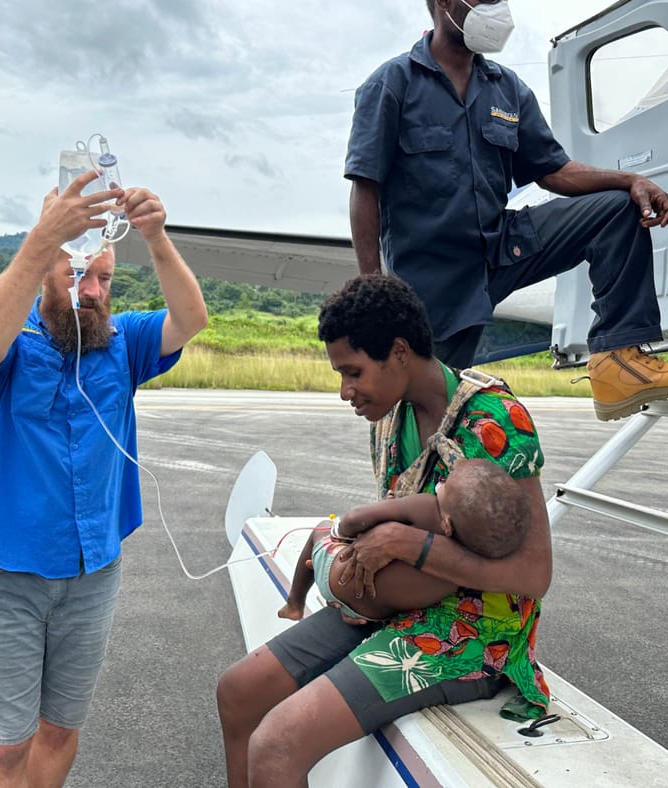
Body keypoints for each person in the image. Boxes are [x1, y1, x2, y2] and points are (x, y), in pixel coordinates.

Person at [344, 0, 668, 422]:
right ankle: (414, 489)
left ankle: (618, 363)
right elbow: (366, 189)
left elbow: (556, 172)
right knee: (429, 413)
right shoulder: (392, 84)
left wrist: (630, 178)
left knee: (614, 208)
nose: (500, 8)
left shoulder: (507, 90)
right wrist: (373, 288)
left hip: (503, 249)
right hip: (432, 278)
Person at [217, 273, 551, 787]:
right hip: (396, 606)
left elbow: (533, 574)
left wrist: (411, 546)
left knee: (278, 743)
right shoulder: (390, 419)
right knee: (238, 693)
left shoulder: (495, 420)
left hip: (471, 633)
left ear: (398, 352)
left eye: (353, 372)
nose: (344, 391)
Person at [0, 169, 208, 788]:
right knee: (7, 747)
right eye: (76, 274)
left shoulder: (125, 344)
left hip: (93, 573)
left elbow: (191, 317)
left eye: (102, 278)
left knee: (61, 730)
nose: (91, 290)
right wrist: (44, 238)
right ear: (47, 275)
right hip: (9, 577)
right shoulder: (13, 348)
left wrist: (157, 239)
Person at [279, 458, 530, 623]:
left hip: (339, 577)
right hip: (372, 614)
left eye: (445, 486)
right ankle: (347, 610)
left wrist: (341, 532)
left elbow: (357, 518)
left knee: (320, 529)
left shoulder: (428, 508)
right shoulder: (457, 573)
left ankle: (294, 603)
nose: (439, 485)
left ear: (447, 525)